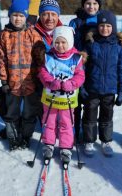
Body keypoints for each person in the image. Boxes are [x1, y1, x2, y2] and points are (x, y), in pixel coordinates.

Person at [0, 0, 46, 151]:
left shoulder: (33, 34)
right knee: (12, 113)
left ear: (26, 16)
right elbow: (1, 59)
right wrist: (4, 80)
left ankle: (25, 137)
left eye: (21, 15)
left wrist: (40, 79)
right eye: (14, 15)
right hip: (13, 84)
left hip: (30, 83)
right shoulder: (4, 35)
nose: (17, 19)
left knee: (29, 113)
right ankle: (12, 137)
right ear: (10, 16)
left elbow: (40, 59)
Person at [81, 10, 122, 157]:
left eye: (108, 26)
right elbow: (82, 68)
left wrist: (121, 92)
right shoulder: (91, 44)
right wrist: (81, 87)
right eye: (102, 25)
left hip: (109, 91)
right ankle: (89, 140)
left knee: (107, 117)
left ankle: (106, 141)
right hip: (92, 89)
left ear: (113, 27)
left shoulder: (119, 48)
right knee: (90, 117)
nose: (105, 29)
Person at [38, 26, 85, 163]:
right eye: (57, 42)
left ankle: (66, 146)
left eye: (63, 42)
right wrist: (51, 82)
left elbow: (80, 76)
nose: (60, 45)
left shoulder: (76, 58)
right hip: (50, 98)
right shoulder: (48, 57)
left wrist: (72, 84)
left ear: (69, 42)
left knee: (66, 123)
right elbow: (42, 73)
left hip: (67, 99)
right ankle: (48, 143)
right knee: (49, 121)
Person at [69, 0, 104, 142]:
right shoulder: (75, 22)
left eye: (95, 4)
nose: (92, 6)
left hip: (94, 69)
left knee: (90, 104)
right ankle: (73, 131)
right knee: (75, 103)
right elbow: (70, 43)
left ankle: (87, 133)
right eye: (88, 3)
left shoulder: (103, 22)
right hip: (76, 66)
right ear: (83, 5)